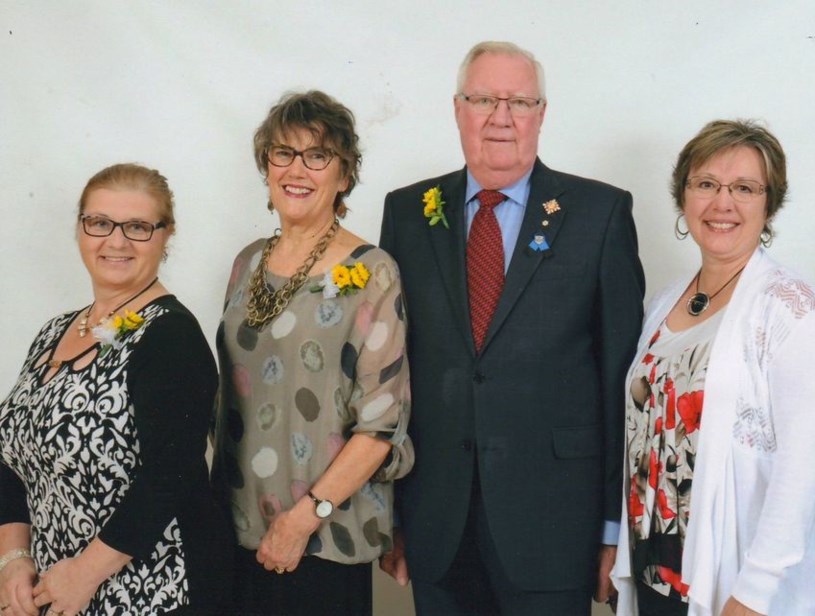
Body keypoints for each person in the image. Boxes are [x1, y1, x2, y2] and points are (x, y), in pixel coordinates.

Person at [378, 41, 645, 615]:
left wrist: (612, 530)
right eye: (483, 99)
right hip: (437, 527)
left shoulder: (600, 214)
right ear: (457, 109)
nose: (501, 117)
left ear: (541, 114)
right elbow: (391, 376)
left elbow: (621, 383)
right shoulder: (407, 212)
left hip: (555, 531)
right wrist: (391, 514)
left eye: (519, 101)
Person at [610, 120, 815, 616]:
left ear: (769, 204)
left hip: (738, 587)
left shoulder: (792, 311)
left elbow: (804, 473)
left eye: (744, 188)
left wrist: (754, 595)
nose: (723, 203)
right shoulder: (664, 301)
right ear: (683, 198)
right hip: (660, 573)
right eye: (706, 184)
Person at [211, 90, 412, 616]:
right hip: (232, 527)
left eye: (317, 155)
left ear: (343, 176)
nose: (297, 169)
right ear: (266, 166)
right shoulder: (247, 263)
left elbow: (380, 425)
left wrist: (302, 519)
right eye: (283, 153)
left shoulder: (373, 272)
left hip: (322, 538)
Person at [0, 163, 233, 615]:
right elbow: (10, 452)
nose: (116, 241)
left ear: (167, 235)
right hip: (60, 590)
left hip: (156, 592)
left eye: (139, 227)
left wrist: (83, 574)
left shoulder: (171, 336)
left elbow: (170, 476)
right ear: (81, 228)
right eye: (100, 222)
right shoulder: (55, 331)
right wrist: (13, 560)